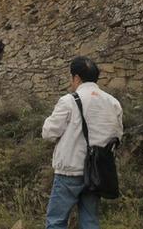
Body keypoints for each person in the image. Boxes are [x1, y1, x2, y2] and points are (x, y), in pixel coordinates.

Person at [42, 56, 123, 229]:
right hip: (96, 173)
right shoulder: (113, 103)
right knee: (90, 222)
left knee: (56, 221)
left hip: (69, 172)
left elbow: (48, 133)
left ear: (76, 78)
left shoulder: (69, 101)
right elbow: (117, 136)